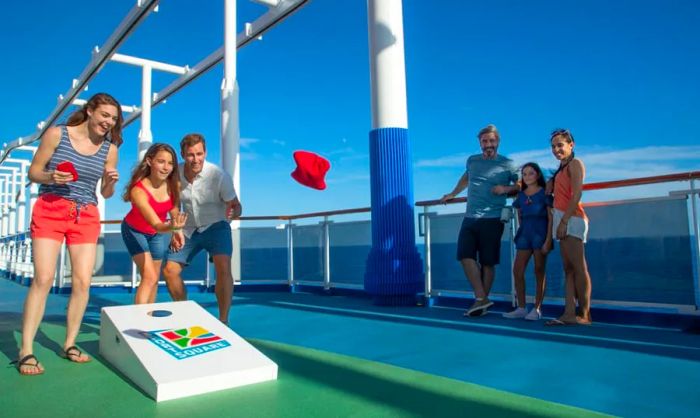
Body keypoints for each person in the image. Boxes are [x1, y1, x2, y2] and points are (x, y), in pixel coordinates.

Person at [15, 93, 122, 375]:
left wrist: (110, 183)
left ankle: (69, 344)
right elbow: (34, 172)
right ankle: (26, 349)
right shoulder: (56, 135)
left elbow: (105, 192)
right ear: (90, 111)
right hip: (51, 208)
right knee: (44, 278)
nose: (109, 122)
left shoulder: (110, 149)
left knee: (83, 281)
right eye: (105, 115)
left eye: (113, 118)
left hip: (86, 213)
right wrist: (51, 177)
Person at [162, 133, 242, 325]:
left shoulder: (219, 176)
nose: (195, 159)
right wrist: (176, 229)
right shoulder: (176, 174)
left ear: (205, 152)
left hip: (217, 226)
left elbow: (236, 205)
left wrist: (234, 212)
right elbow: (173, 204)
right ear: (182, 154)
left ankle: (223, 320)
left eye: (199, 154)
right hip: (187, 229)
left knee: (223, 267)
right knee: (169, 271)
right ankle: (185, 314)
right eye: (190, 155)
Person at [440, 124, 519, 317]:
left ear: (497, 142)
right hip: (470, 217)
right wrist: (453, 193)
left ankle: (480, 302)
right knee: (465, 256)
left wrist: (505, 189)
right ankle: (482, 298)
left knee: (487, 262)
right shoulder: (472, 161)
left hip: (493, 218)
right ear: (480, 143)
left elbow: (520, 184)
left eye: (491, 140)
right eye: (484, 141)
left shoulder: (508, 164)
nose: (488, 144)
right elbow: (466, 178)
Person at [121, 143, 187, 304]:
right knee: (149, 276)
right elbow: (157, 224)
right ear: (150, 161)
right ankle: (139, 323)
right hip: (134, 231)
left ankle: (148, 316)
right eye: (161, 162)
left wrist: (177, 232)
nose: (166, 167)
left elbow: (173, 209)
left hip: (156, 234)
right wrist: (173, 227)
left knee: (153, 278)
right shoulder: (138, 191)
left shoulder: (173, 186)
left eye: (170, 163)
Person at [545, 129, 593, 326]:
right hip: (561, 218)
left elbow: (577, 194)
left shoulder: (575, 164)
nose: (557, 149)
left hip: (572, 219)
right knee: (569, 269)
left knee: (579, 267)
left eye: (560, 145)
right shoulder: (560, 170)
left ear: (571, 145)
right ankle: (569, 313)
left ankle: (585, 315)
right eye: (554, 146)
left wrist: (564, 222)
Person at [502, 163, 553, 321]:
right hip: (525, 234)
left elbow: (551, 218)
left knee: (539, 270)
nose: (527, 176)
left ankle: (537, 308)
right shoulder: (521, 196)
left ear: (537, 175)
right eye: (524, 174)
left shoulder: (545, 194)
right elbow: (520, 215)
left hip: (541, 234)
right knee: (517, 270)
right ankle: (522, 307)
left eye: (531, 173)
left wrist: (548, 239)